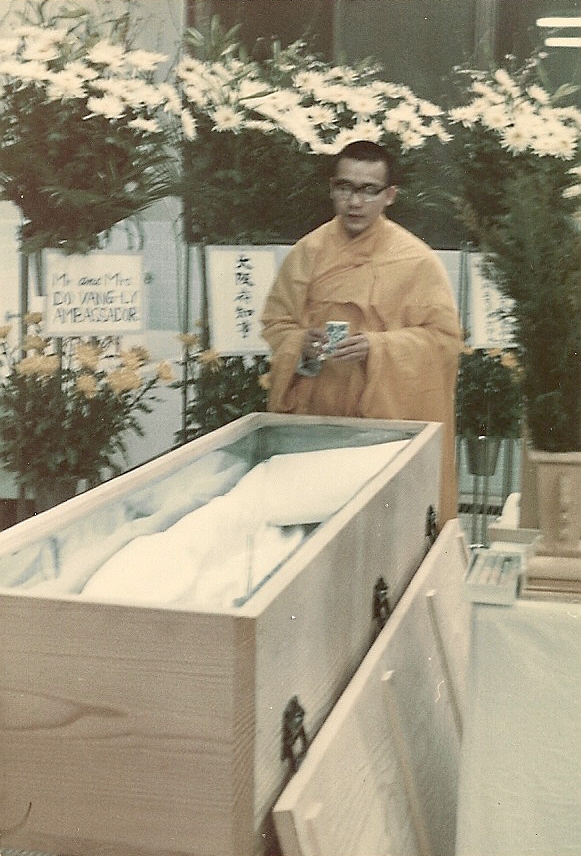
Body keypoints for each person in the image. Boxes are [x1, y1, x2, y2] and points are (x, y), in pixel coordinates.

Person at [260, 140, 462, 525]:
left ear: (390, 196)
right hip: (318, 422)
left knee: (381, 532)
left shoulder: (416, 260)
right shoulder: (309, 251)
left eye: (369, 190)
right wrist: (300, 342)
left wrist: (377, 347)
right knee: (314, 525)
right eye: (345, 187)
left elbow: (444, 340)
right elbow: (277, 323)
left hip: (386, 427)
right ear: (332, 188)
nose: (356, 202)